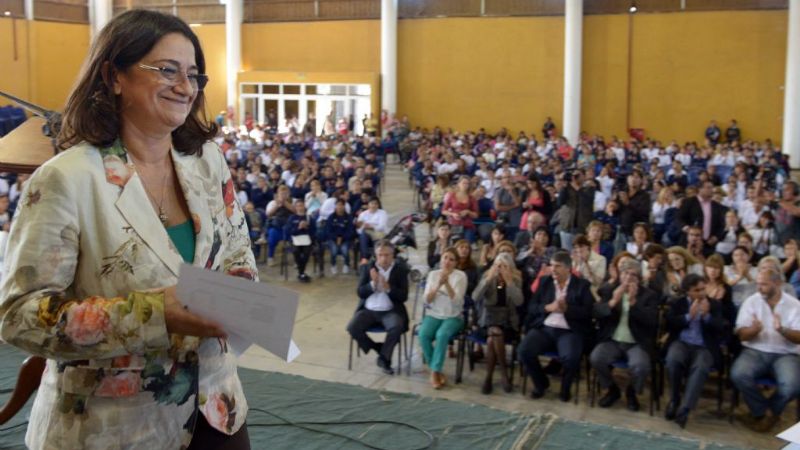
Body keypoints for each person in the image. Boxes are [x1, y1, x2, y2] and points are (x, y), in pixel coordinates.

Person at [0, 10, 256, 449]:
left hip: (217, 411)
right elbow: (20, 316)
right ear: (113, 75)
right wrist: (153, 315)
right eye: (167, 70)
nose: (185, 86)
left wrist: (239, 297)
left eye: (194, 74)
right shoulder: (68, 178)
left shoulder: (207, 162)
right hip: (111, 427)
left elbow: (239, 259)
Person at [730, 267, 800, 432]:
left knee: (792, 386)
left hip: (785, 353)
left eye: (764, 284)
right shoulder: (751, 301)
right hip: (755, 350)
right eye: (758, 284)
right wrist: (754, 330)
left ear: (778, 283)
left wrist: (782, 330)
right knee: (738, 374)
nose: (759, 288)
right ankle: (764, 412)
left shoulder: (795, 305)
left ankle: (767, 412)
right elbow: (742, 335)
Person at [518, 251, 594, 402]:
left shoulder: (582, 285)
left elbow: (588, 312)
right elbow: (532, 306)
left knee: (571, 358)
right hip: (545, 328)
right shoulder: (545, 281)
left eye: (557, 266)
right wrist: (547, 308)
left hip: (569, 331)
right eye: (552, 265)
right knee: (524, 351)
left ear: (568, 268)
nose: (553, 269)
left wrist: (568, 309)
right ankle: (541, 384)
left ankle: (565, 389)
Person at [591, 259, 659, 412]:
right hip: (612, 340)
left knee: (641, 366)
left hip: (636, 342)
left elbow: (652, 321)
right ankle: (612, 389)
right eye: (625, 273)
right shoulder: (609, 290)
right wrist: (613, 301)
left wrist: (634, 302)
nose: (628, 278)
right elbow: (596, 312)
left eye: (633, 275)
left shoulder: (649, 295)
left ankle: (632, 392)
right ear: (620, 275)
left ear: (639, 279)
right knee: (597, 358)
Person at [664, 274, 726, 429]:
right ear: (687, 292)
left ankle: (685, 409)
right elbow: (669, 324)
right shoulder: (678, 303)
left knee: (700, 368)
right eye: (697, 290)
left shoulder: (715, 305)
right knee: (673, 360)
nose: (701, 293)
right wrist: (687, 317)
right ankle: (674, 399)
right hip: (682, 342)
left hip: (704, 346)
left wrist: (707, 316)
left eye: (703, 289)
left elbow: (723, 328)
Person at [347, 240, 410, 375]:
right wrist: (372, 284)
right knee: (352, 327)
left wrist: (388, 288)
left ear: (393, 255)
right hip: (368, 310)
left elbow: (403, 296)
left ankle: (385, 360)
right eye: (380, 255)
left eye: (387, 255)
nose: (384, 258)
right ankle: (379, 348)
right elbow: (360, 292)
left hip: (390, 311)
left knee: (396, 327)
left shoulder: (400, 270)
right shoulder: (367, 268)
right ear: (376, 255)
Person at [472, 252, 523, 394]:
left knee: (491, 340)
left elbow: (519, 302)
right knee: (494, 332)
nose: (500, 269)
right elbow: (475, 297)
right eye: (497, 265)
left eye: (504, 266)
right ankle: (504, 374)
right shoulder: (487, 277)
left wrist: (510, 283)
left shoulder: (516, 280)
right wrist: (488, 280)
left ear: (510, 268)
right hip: (487, 319)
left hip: (507, 320)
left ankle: (488, 377)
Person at [419, 248, 466, 389]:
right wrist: (438, 284)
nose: (447, 261)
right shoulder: (433, 275)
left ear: (456, 263)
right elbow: (426, 300)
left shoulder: (461, 276)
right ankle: (436, 368)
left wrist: (447, 284)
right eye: (445, 258)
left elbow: (457, 301)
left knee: (442, 334)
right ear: (441, 259)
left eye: (452, 259)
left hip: (453, 316)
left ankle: (435, 371)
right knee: (423, 335)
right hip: (434, 314)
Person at [676, 180, 727, 251]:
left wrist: (716, 237)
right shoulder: (688, 202)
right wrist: (687, 228)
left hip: (709, 244)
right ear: (700, 189)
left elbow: (722, 225)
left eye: (712, 188)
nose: (712, 190)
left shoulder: (717, 206)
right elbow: (679, 218)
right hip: (689, 243)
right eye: (708, 188)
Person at [286, 201, 315, 283]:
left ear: (304, 207)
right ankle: (302, 273)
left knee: (307, 253)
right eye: (298, 206)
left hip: (306, 240)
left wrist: (306, 228)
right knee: (296, 251)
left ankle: (301, 273)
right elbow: (289, 232)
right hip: (295, 240)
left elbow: (313, 232)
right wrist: (299, 227)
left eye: (301, 206)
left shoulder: (309, 218)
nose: (300, 207)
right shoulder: (292, 218)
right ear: (295, 207)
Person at [266, 185, 295, 266]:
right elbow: (268, 214)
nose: (283, 195)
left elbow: (296, 211)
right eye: (281, 194)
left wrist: (285, 203)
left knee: (295, 235)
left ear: (288, 194)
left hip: (289, 227)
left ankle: (296, 259)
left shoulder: (293, 201)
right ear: (278, 194)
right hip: (277, 226)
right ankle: (270, 257)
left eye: (285, 194)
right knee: (272, 237)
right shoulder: (272, 202)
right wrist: (277, 205)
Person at [325, 199, 354, 275]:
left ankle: (346, 264)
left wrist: (342, 238)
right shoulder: (331, 217)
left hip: (345, 239)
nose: (339, 207)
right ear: (335, 206)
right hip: (333, 239)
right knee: (334, 250)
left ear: (344, 206)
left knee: (344, 249)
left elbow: (350, 231)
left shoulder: (349, 217)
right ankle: (333, 264)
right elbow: (328, 231)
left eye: (341, 205)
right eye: (338, 205)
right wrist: (336, 238)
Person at [356, 197, 389, 263]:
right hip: (366, 234)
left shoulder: (382, 213)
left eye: (375, 204)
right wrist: (364, 227)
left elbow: (381, 226)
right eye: (372, 203)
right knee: (363, 233)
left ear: (378, 205)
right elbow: (358, 229)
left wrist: (372, 226)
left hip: (378, 233)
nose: (373, 205)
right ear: (368, 204)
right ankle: (365, 258)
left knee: (374, 237)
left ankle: (375, 257)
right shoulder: (363, 214)